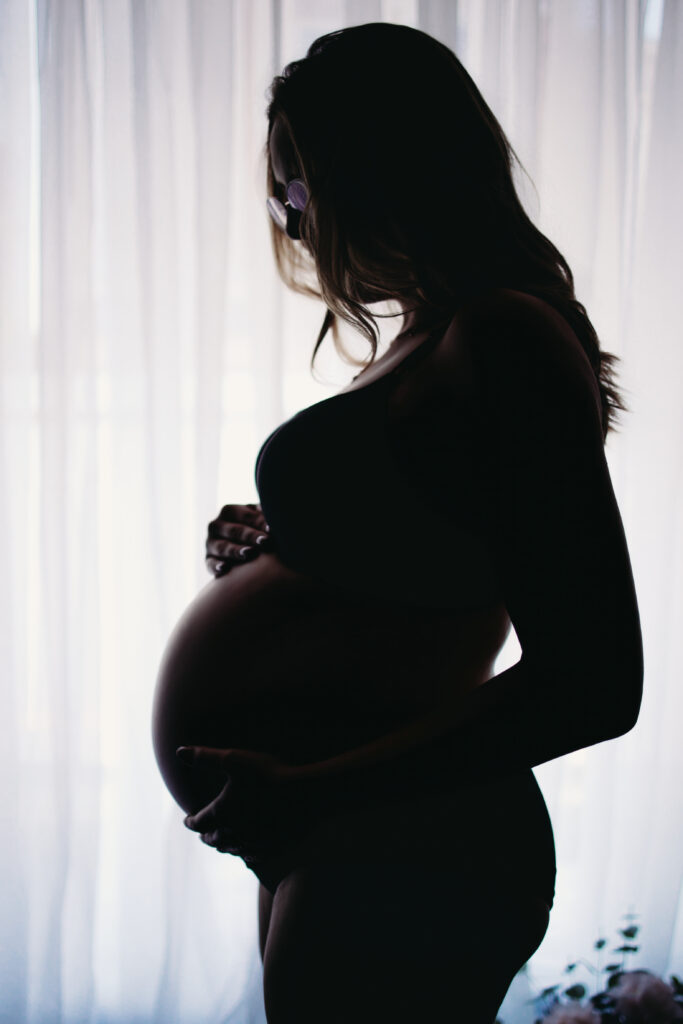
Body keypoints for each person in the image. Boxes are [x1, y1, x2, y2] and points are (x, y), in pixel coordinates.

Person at [166, 23, 643, 1024]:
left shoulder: (498, 336)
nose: (289, 224)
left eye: (294, 188)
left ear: (376, 169)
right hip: (351, 826)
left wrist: (310, 790)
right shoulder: (438, 332)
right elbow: (432, 564)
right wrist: (292, 551)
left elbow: (594, 681)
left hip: (405, 835)